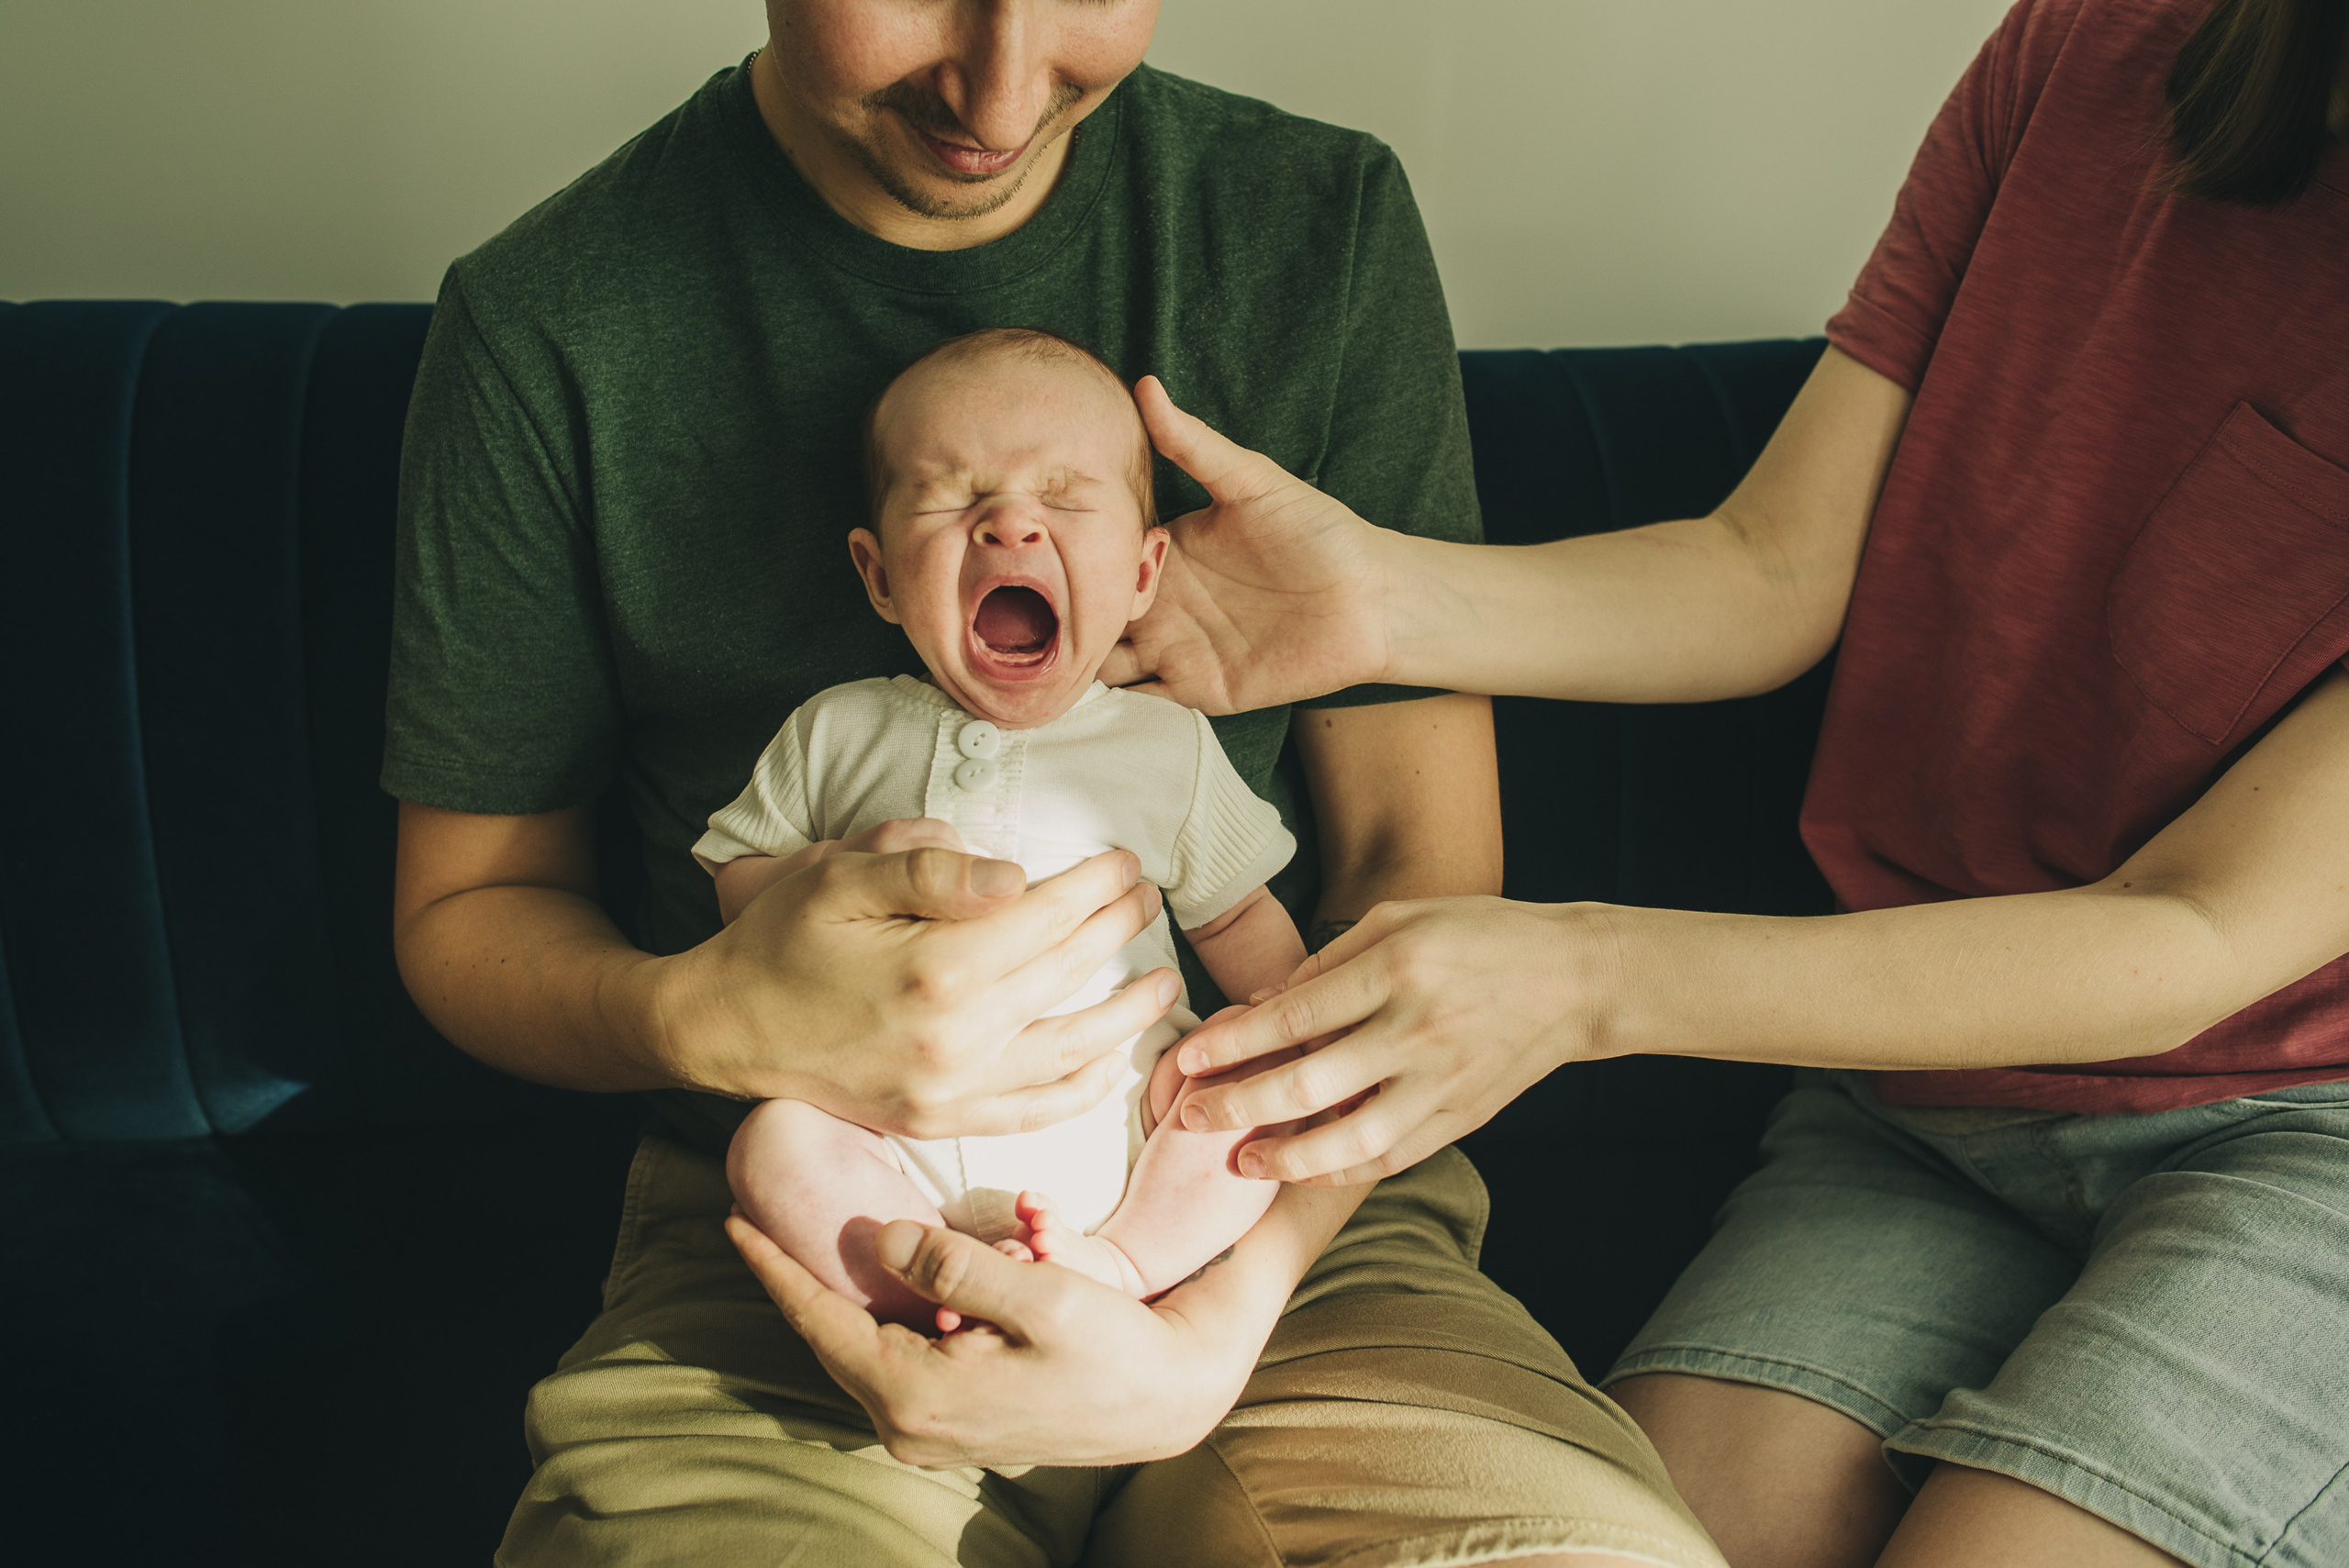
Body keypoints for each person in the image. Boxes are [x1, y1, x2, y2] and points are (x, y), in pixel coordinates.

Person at [384, 2, 1716, 1564]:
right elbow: (472, 905)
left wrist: (1217, 1302)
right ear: (874, 571)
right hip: (810, 1245)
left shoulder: (1315, 227)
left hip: (1297, 1226)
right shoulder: (549, 316)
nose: (1003, 90)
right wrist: (713, 1008)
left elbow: (1414, 890)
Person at [1069, 1, 2349, 1565]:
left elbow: (2197, 928)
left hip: (2306, 1130)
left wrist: (1585, 974)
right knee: (1637, 1536)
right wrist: (1382, 599)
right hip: (1922, 1097)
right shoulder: (2087, 49)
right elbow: (1773, 565)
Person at [710, 328, 1308, 1316]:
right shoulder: (837, 729)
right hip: (882, 1133)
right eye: (952, 497)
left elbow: (1237, 915)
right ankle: (920, 1287)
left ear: (1144, 574)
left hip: (1119, 1130)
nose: (1010, 526)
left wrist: (1284, 1024)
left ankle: (1120, 1265)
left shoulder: (1167, 744)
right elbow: (736, 882)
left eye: (1065, 498)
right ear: (879, 574)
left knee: (1233, 1107)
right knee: (771, 1141)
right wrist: (828, 875)